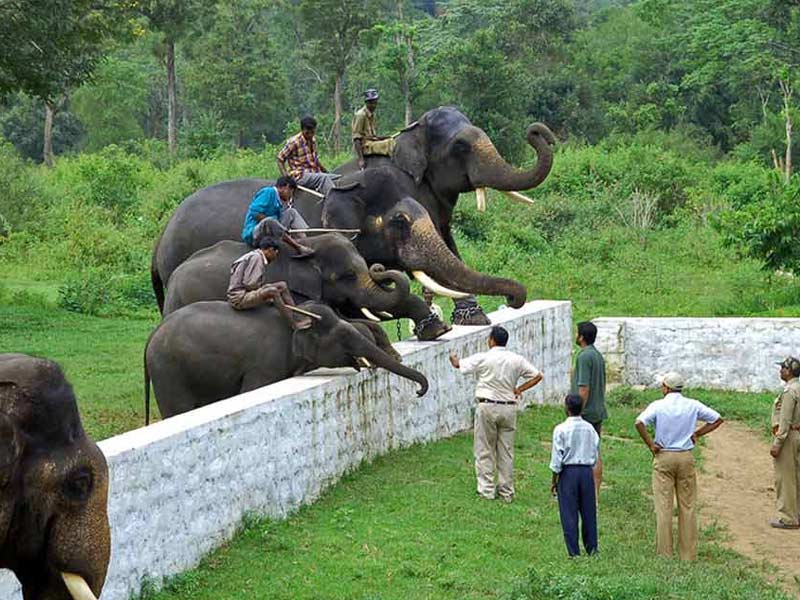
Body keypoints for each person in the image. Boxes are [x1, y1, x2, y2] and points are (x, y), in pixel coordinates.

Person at [634, 372, 723, 560]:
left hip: (664, 456)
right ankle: (688, 554)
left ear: (665, 387)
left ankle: (665, 553)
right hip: (685, 457)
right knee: (687, 505)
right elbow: (717, 419)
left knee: (663, 507)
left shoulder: (659, 405)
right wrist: (698, 434)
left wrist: (651, 444)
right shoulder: (692, 404)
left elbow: (639, 422)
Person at [449, 326, 543, 502]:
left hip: (487, 406)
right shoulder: (516, 359)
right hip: (508, 407)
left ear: (491, 340)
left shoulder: (484, 358)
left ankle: (487, 490)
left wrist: (453, 357)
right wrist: (518, 389)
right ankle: (506, 491)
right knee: (506, 451)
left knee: (484, 448)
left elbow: (458, 365)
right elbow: (538, 375)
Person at [550, 394, 600, 557]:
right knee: (588, 512)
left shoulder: (561, 429)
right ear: (582, 408)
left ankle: (574, 552)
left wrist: (554, 480)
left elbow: (557, 457)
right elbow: (595, 451)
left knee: (569, 513)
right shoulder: (590, 429)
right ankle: (592, 548)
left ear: (566, 408)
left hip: (568, 472)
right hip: (586, 472)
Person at [226, 237, 312, 330]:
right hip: (239, 297)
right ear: (270, 250)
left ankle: (296, 314)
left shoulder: (254, 255)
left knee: (282, 285)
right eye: (276, 253)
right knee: (273, 291)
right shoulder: (257, 258)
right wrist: (265, 291)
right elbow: (250, 284)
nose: (275, 257)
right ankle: (293, 323)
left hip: (245, 292)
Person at [570, 321, 607, 499]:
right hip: (597, 409)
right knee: (595, 451)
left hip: (586, 412)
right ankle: (594, 492)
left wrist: (577, 411)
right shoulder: (597, 355)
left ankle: (587, 493)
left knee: (583, 453)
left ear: (581, 337)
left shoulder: (584, 357)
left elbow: (583, 388)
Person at [241, 175, 314, 257]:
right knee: (270, 221)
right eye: (291, 192)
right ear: (286, 187)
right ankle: (298, 247)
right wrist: (277, 226)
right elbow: (255, 212)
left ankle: (304, 239)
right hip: (255, 234)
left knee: (291, 212)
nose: (290, 196)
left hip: (271, 231)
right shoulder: (268, 192)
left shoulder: (278, 200)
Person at [769, 357, 800, 529]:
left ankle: (788, 517)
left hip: (789, 438)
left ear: (789, 371)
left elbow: (785, 419)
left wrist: (777, 443)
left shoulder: (790, 391)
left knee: (786, 479)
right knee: (797, 476)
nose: (780, 371)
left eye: (783, 368)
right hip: (798, 434)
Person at [277, 115, 339, 196]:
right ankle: (334, 200)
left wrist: (327, 172)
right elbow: (280, 159)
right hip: (300, 175)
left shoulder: (312, 140)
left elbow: (315, 161)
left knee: (337, 177)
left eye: (312, 132)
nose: (310, 135)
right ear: (302, 130)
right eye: (307, 132)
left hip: (314, 173)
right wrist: (286, 178)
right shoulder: (294, 142)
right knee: (324, 179)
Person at [352, 88, 395, 170]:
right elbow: (356, 138)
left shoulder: (372, 115)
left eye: (375, 103)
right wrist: (361, 159)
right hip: (365, 146)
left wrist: (384, 137)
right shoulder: (361, 115)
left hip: (372, 142)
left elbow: (372, 136)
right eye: (371, 103)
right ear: (366, 103)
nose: (374, 105)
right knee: (390, 144)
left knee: (392, 139)